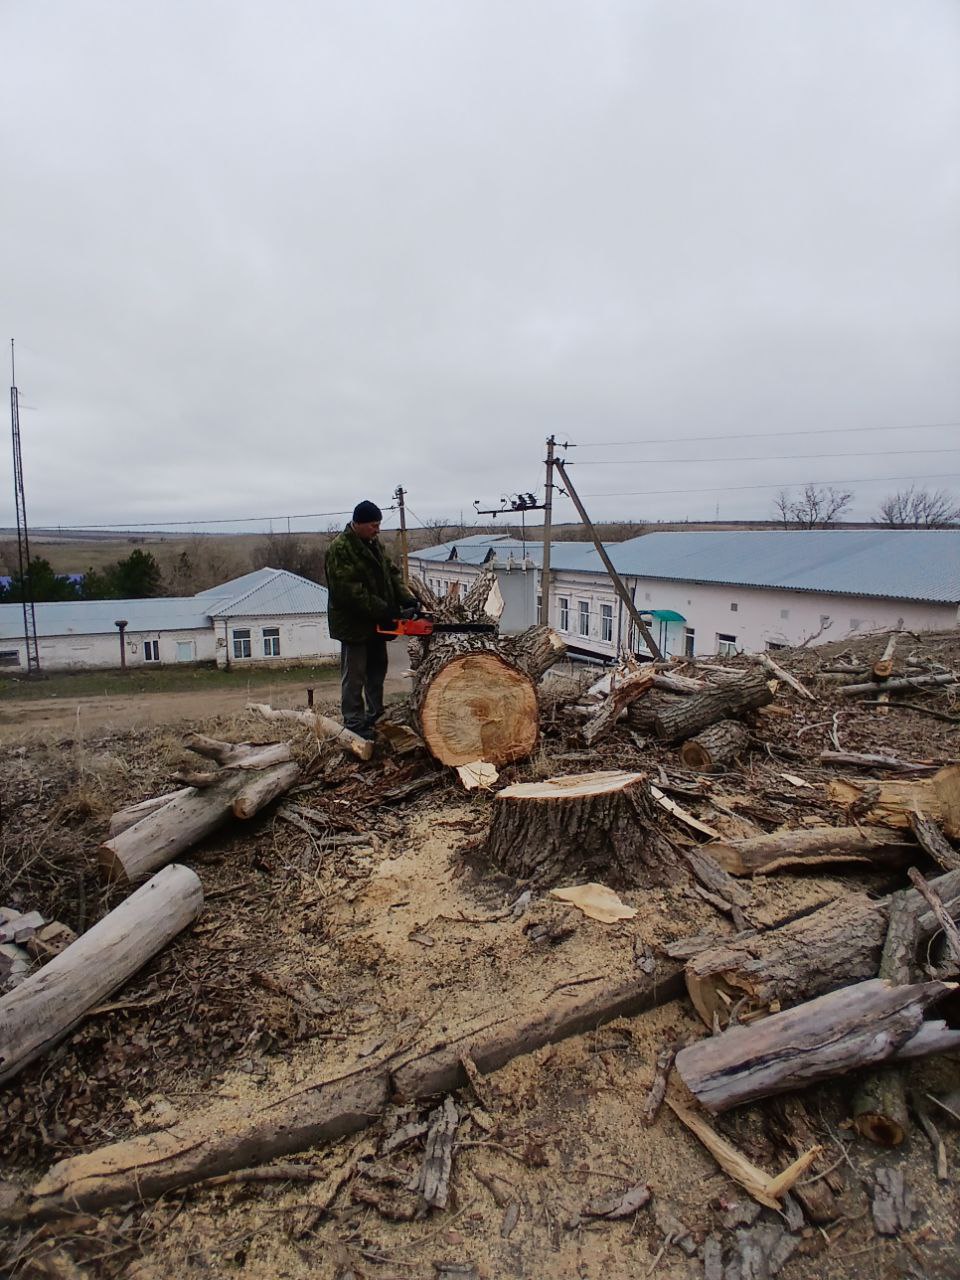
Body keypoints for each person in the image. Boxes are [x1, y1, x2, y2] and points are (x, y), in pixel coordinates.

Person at [324, 500, 419, 740]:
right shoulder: (340, 549)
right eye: (373, 525)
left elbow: (392, 573)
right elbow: (350, 593)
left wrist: (406, 599)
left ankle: (375, 714)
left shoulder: (373, 544)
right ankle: (354, 722)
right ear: (358, 523)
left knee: (377, 669)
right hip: (354, 624)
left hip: (377, 621)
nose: (377, 529)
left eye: (378, 525)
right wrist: (386, 610)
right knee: (354, 675)